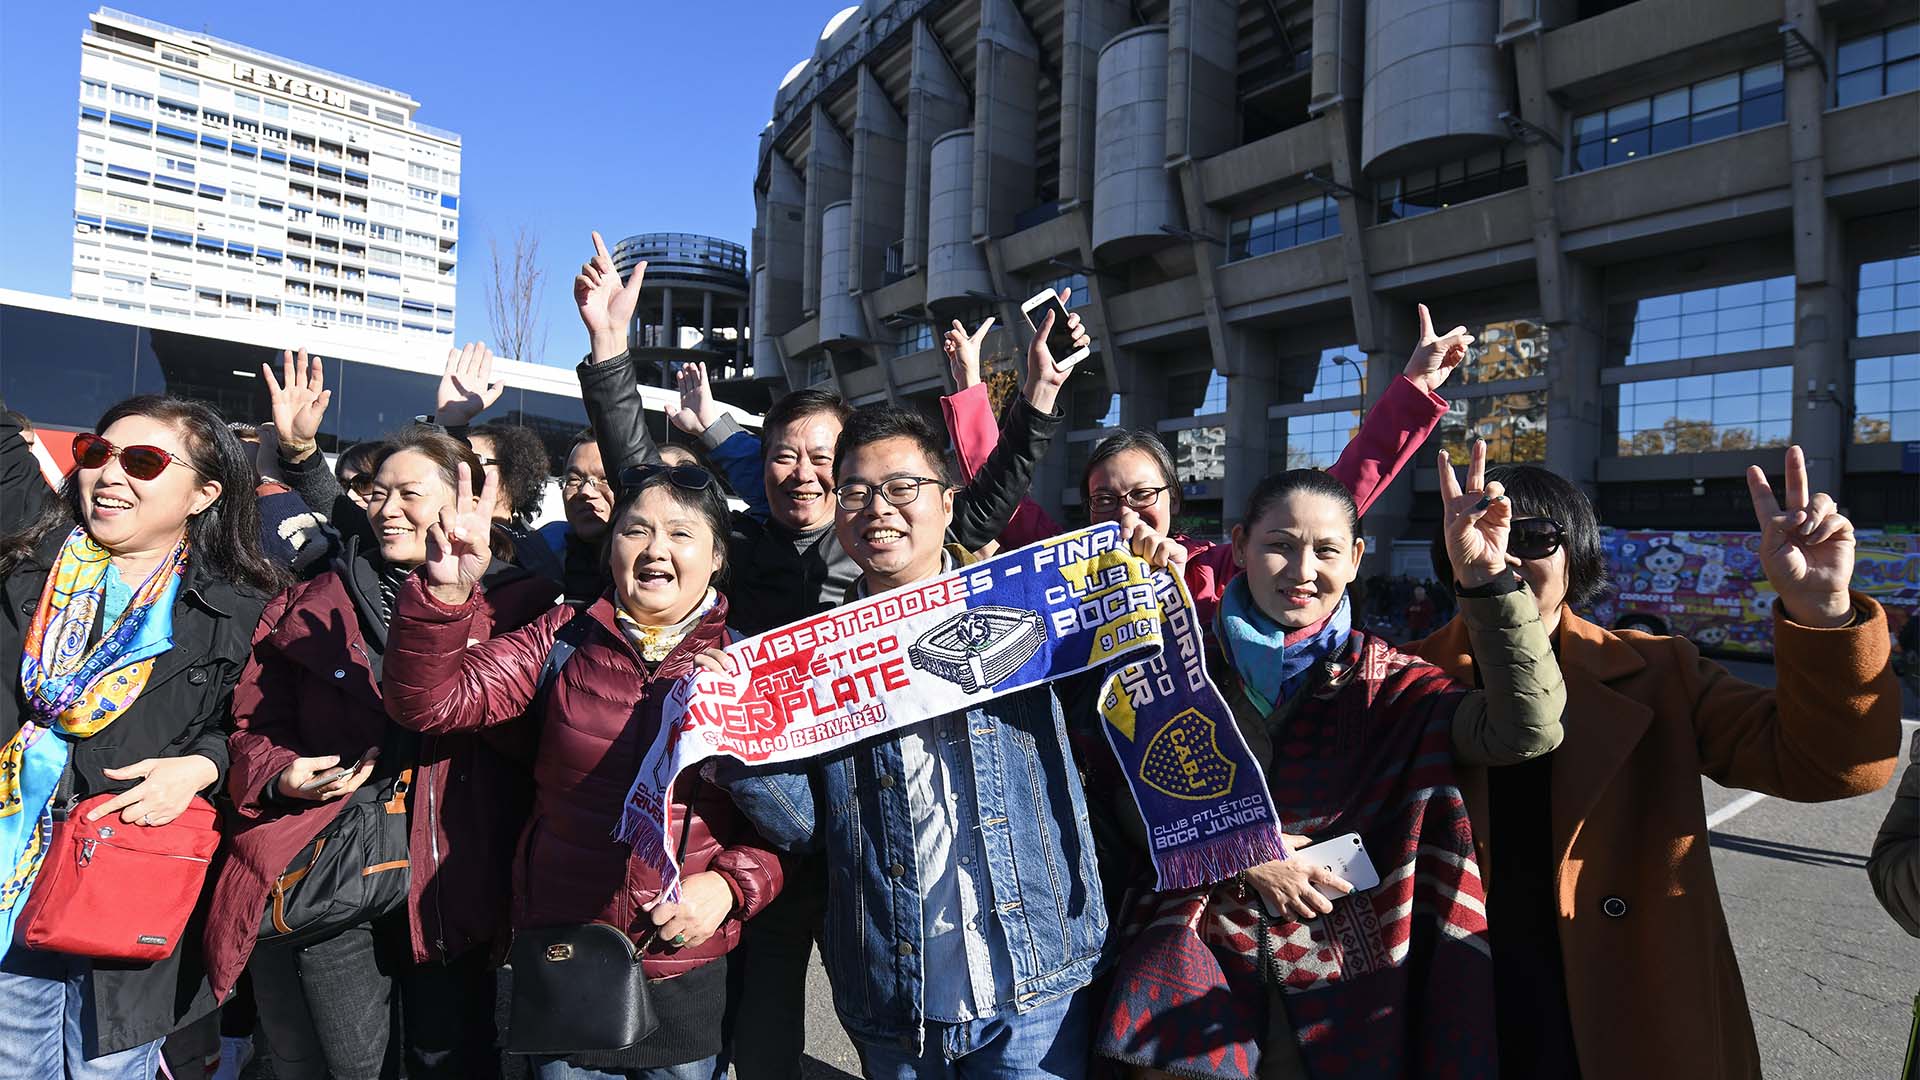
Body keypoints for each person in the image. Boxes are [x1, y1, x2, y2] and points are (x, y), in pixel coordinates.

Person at [574, 233, 1075, 1080]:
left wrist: (1035, 400)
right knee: (766, 1014)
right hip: (776, 815)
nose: (803, 474)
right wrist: (610, 355)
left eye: (822, 459)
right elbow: (644, 488)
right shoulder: (737, 548)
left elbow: (983, 500)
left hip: (873, 832)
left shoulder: (896, 559)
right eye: (785, 455)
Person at [718, 400, 1184, 1080]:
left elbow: (1133, 717)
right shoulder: (818, 658)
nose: (878, 507)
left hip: (1037, 986)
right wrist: (731, 735)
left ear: (947, 500)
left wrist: (1151, 596)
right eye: (855, 492)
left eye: (901, 487)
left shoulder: (1032, 606)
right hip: (894, 997)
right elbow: (804, 825)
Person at [1406, 446, 1901, 1080]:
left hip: (1631, 1006)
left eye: (1532, 536)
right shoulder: (1403, 677)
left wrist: (1824, 610)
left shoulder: (1660, 672)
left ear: (1577, 555)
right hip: (1451, 1000)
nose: (1503, 552)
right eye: (1478, 531)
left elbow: (1835, 765)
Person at [1097, 444, 1567, 1080]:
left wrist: (1486, 582)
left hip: (1351, 996)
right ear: (1237, 546)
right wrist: (1244, 848)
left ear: (1355, 559)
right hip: (1188, 977)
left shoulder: (1395, 686)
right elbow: (1120, 791)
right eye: (1279, 545)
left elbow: (1526, 730)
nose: (1301, 570)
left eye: (1324, 550)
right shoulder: (1179, 668)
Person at [382, 460, 787, 1080]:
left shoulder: (754, 666)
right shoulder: (560, 638)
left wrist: (731, 887)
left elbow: (793, 824)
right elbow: (429, 703)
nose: (655, 550)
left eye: (681, 533)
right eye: (636, 530)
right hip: (568, 955)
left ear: (715, 560)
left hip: (686, 964)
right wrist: (446, 595)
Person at [204, 429, 558, 1080]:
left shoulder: (518, 604)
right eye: (376, 493)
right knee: (347, 1066)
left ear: (463, 500)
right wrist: (282, 773)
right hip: (331, 869)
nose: (387, 508)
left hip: (449, 883)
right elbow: (251, 723)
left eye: (409, 494)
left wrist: (458, 607)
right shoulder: (310, 599)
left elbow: (523, 739)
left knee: (451, 1060)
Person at [0, 395, 288, 1078]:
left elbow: (258, 730)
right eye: (96, 453)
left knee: (107, 1068)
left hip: (127, 876)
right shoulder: (30, 552)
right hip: (12, 869)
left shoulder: (245, 607)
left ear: (203, 494)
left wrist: (200, 769)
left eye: (145, 461)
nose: (109, 474)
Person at [940, 305, 1473, 626]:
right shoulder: (1059, 564)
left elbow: (1333, 498)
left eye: (1143, 495)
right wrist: (970, 385)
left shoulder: (1223, 569)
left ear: (1173, 498)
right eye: (1104, 498)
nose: (1123, 512)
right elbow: (999, 498)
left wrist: (1415, 390)